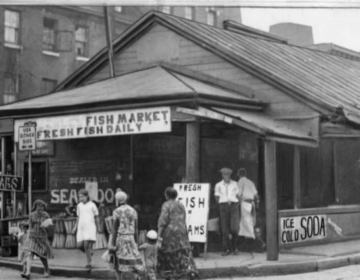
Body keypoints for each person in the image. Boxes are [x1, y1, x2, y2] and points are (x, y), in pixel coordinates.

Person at [157, 187, 197, 280]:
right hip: (181, 230)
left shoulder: (166, 205)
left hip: (170, 232)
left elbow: (163, 221)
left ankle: (169, 274)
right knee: (182, 251)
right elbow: (184, 218)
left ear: (166, 195)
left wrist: (159, 235)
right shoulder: (181, 204)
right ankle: (185, 272)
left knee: (168, 251)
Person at [109, 191, 144, 280]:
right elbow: (136, 228)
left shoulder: (116, 211)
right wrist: (136, 242)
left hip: (120, 238)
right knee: (133, 259)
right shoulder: (133, 211)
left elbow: (114, 229)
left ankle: (119, 278)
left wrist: (112, 244)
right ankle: (136, 277)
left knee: (117, 261)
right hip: (131, 238)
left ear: (117, 200)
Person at [23, 199, 53, 279]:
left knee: (42, 256)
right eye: (39, 207)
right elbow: (30, 226)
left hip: (42, 238)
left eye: (42, 207)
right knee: (30, 254)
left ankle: (47, 271)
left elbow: (50, 225)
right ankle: (28, 272)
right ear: (35, 207)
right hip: (33, 237)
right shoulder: (32, 215)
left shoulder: (46, 215)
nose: (41, 209)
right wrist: (28, 237)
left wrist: (47, 225)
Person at [214, 167, 240, 256]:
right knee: (224, 228)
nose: (226, 176)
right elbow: (217, 197)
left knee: (235, 228)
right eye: (225, 174)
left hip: (233, 206)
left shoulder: (235, 184)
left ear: (230, 175)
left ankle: (234, 247)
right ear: (222, 175)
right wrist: (222, 205)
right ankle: (226, 249)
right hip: (223, 206)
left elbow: (238, 196)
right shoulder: (218, 185)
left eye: (228, 174)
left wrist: (235, 204)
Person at [72, 189, 99, 270]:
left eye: (82, 197)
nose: (81, 198)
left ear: (87, 196)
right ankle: (89, 253)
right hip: (81, 228)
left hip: (90, 227)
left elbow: (96, 216)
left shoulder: (92, 205)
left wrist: (97, 227)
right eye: (79, 197)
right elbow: (78, 217)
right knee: (79, 246)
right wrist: (75, 227)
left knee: (86, 244)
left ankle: (88, 263)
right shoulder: (79, 205)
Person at [237, 168, 260, 240]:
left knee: (246, 221)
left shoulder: (240, 181)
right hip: (252, 203)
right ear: (246, 174)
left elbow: (238, 194)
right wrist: (258, 203)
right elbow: (256, 195)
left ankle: (251, 238)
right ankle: (249, 237)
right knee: (250, 220)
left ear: (239, 175)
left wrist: (237, 201)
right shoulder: (250, 182)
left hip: (245, 203)